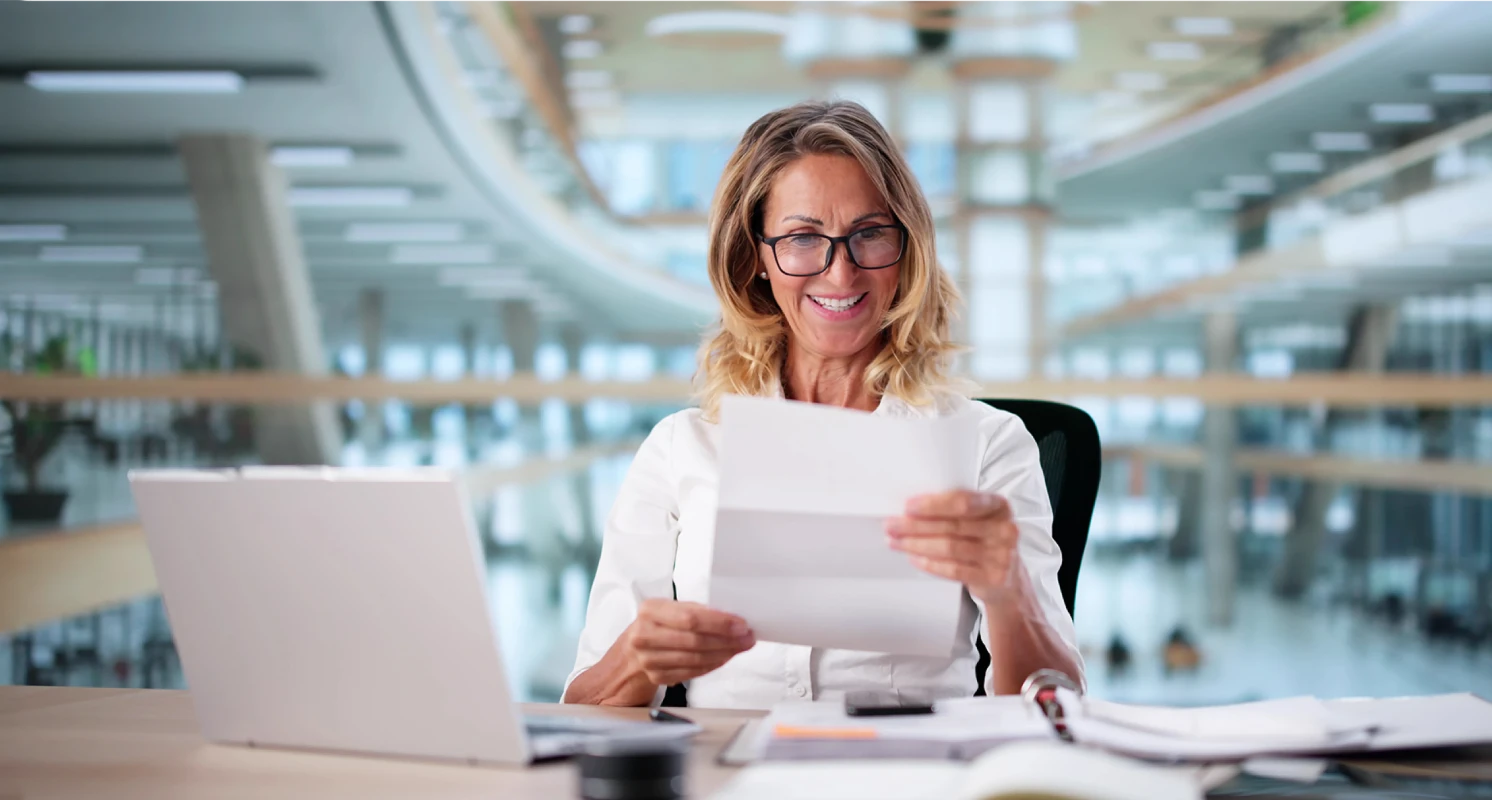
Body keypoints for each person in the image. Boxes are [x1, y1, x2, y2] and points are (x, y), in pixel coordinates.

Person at [562, 100, 1083, 709]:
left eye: (869, 234)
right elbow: (583, 713)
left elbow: (1063, 705)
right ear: (756, 257)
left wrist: (1008, 591)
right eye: (804, 238)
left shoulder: (988, 443)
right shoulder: (682, 449)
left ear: (906, 246)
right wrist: (635, 660)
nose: (840, 275)